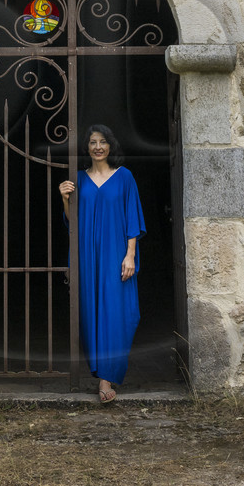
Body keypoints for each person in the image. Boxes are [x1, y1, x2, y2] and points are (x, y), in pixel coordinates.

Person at [58, 124, 146, 403]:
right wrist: (64, 198)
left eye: (103, 142)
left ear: (111, 146)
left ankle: (107, 376)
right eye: (93, 142)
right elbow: (72, 222)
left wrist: (130, 254)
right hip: (87, 254)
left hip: (116, 254)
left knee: (119, 312)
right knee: (90, 312)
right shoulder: (79, 180)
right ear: (87, 148)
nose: (98, 146)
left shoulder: (124, 177)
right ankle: (101, 375)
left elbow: (132, 217)